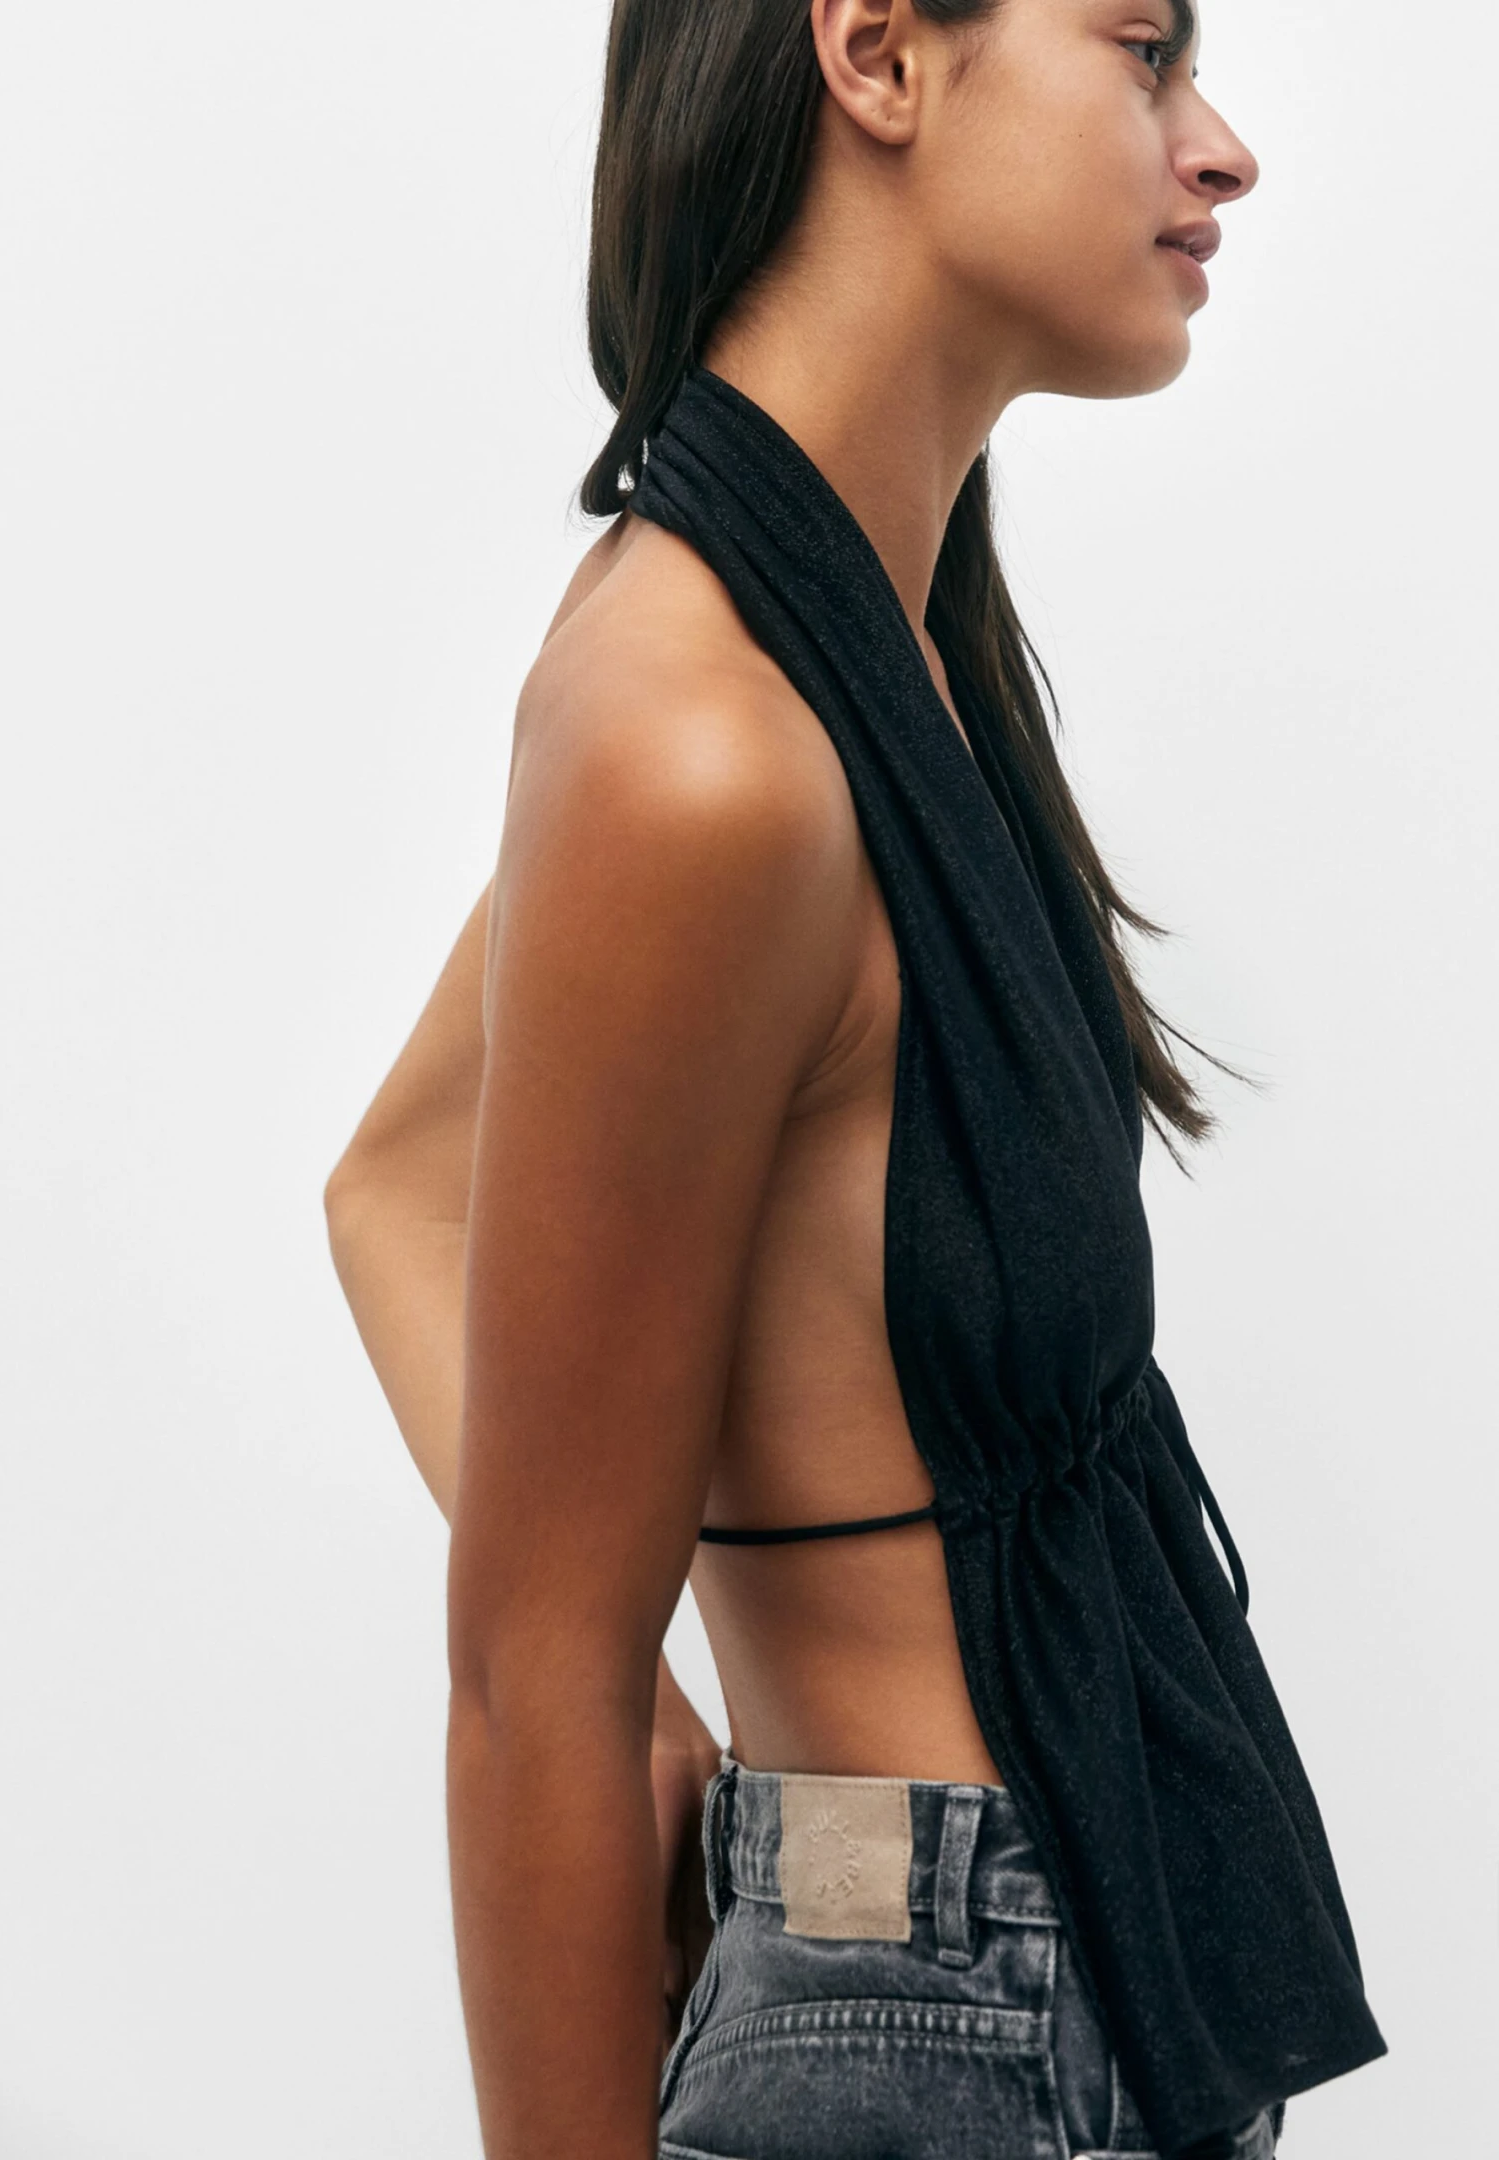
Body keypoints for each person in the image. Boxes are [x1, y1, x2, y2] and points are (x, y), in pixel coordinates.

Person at [325, 3, 1388, 2155]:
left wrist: (660, 1727)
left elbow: (400, 1186)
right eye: (1147, 50)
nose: (1220, 147)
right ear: (880, 53)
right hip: (946, 2027)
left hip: (976, 1961)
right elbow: (530, 1676)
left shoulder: (836, 641)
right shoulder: (700, 743)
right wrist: (593, 1689)